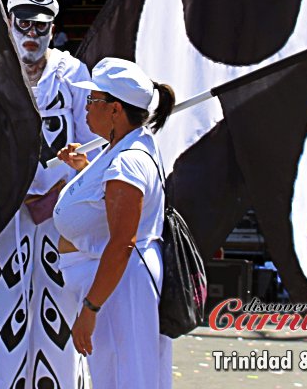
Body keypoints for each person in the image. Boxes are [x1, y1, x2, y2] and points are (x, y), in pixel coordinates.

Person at [0, 0, 98, 388]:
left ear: (53, 29)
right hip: (4, 216)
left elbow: (91, 143)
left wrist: (60, 189)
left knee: (57, 304)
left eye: (40, 25)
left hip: (59, 214)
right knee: (0, 305)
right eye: (23, 24)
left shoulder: (72, 73)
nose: (31, 33)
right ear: (10, 25)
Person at [53, 57, 176, 389]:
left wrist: (91, 308)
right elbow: (105, 202)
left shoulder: (129, 160)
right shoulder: (121, 149)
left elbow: (122, 242)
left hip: (122, 285)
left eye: (93, 100)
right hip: (116, 282)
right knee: (115, 372)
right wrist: (85, 169)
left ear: (115, 110)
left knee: (128, 375)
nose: (86, 107)